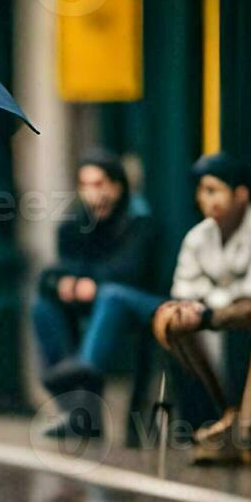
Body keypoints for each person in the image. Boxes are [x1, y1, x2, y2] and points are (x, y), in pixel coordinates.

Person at [44, 153, 251, 441]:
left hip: (243, 325)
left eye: (213, 190)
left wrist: (208, 301)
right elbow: (184, 287)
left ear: (240, 194)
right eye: (201, 191)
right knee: (174, 320)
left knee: (131, 302)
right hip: (195, 316)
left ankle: (85, 372)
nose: (204, 199)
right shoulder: (198, 237)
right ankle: (202, 419)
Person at [32, 150, 154, 372]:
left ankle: (84, 373)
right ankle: (65, 376)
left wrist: (90, 282)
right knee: (43, 305)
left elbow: (131, 269)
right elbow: (55, 271)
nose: (91, 193)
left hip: (130, 301)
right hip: (90, 301)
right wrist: (64, 283)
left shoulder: (138, 223)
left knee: (111, 295)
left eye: (98, 184)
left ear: (116, 187)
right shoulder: (74, 226)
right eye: (85, 185)